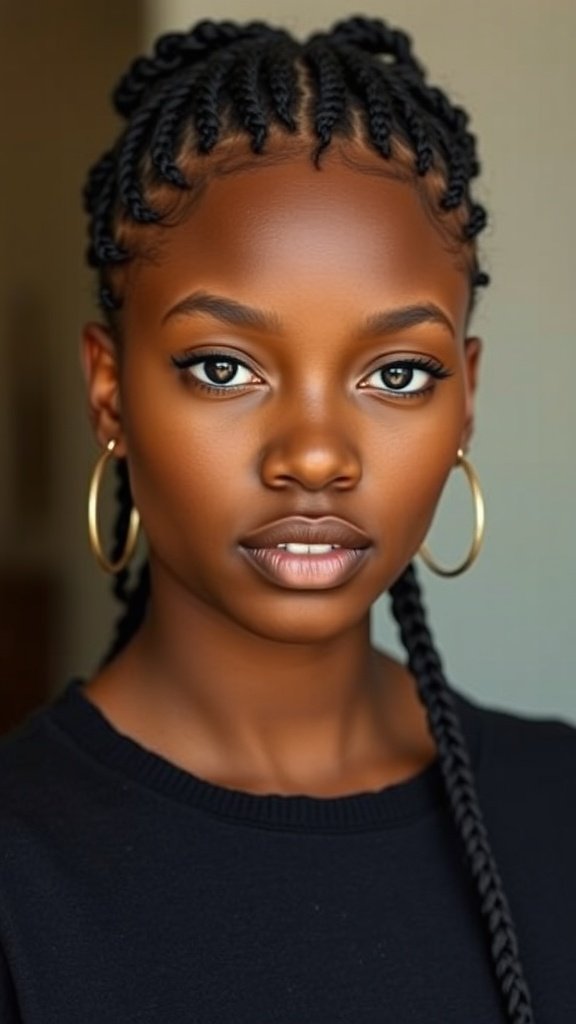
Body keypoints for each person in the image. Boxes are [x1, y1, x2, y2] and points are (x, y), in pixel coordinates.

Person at [0, 15, 574, 1023]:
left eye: (399, 373)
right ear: (108, 390)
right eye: (223, 367)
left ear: (466, 398)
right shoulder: (20, 863)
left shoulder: (560, 809)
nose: (315, 455)